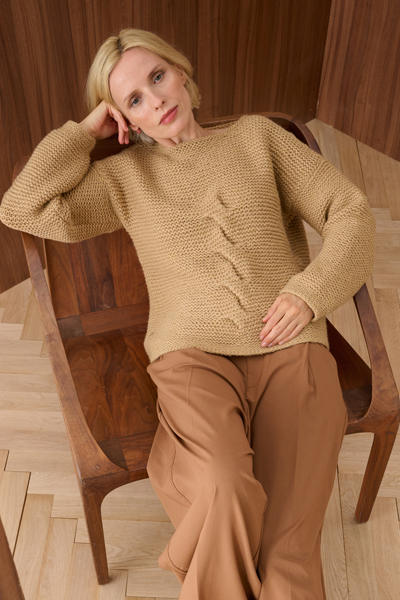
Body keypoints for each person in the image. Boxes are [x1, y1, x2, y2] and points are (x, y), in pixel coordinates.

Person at [0, 27, 375, 600]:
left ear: (182, 72)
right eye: (133, 100)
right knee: (226, 489)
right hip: (191, 357)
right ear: (124, 119)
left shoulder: (258, 139)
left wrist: (311, 291)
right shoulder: (124, 177)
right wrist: (84, 132)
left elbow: (349, 210)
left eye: (158, 77)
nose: (156, 101)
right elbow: (22, 207)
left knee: (285, 555)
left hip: (291, 347)